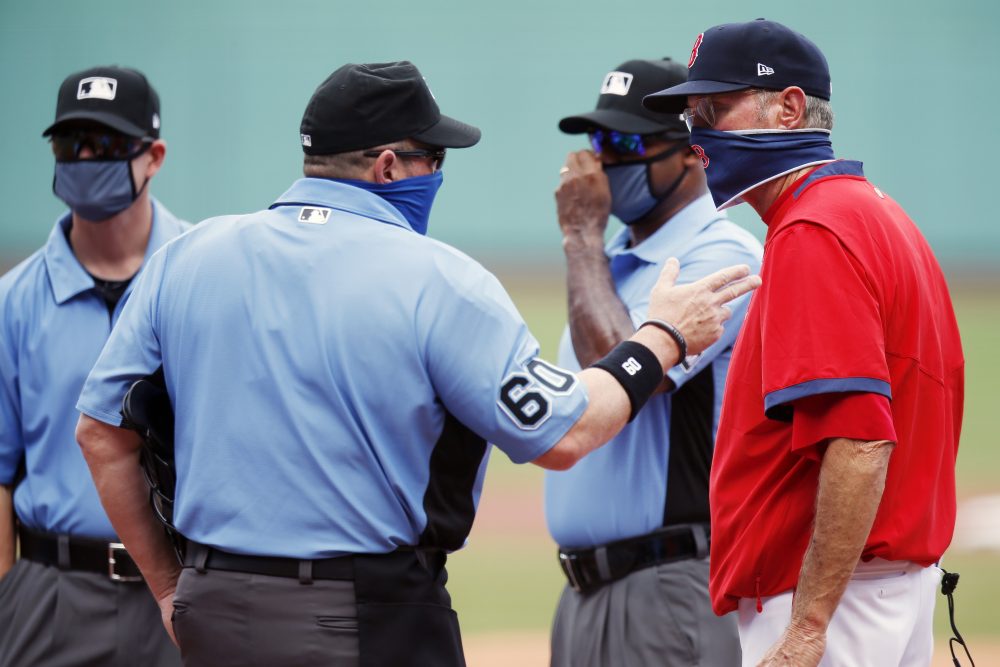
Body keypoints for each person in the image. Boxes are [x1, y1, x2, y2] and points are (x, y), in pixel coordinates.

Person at [72, 61, 759, 667]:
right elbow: (564, 433)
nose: (438, 173)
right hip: (366, 614)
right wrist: (662, 338)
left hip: (214, 607)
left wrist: (169, 586)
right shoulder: (439, 279)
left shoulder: (187, 257)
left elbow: (100, 434)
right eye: (433, 156)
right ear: (388, 166)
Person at [643, 19, 964, 667]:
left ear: (789, 108)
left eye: (714, 109)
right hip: (883, 587)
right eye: (690, 115)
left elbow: (860, 441)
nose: (696, 136)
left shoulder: (813, 229)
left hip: (833, 600)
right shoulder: (874, 212)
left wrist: (809, 628)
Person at [545, 57, 762, 667]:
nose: (604, 162)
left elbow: (619, 371)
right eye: (597, 142)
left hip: (669, 583)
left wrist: (581, 240)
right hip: (587, 592)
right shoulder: (613, 261)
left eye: (627, 143)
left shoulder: (721, 256)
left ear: (693, 152)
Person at [0, 66, 187, 666]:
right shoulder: (13, 302)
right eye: (69, 144)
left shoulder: (199, 277)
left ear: (154, 156)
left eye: (105, 144)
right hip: (53, 593)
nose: (84, 159)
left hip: (183, 592)